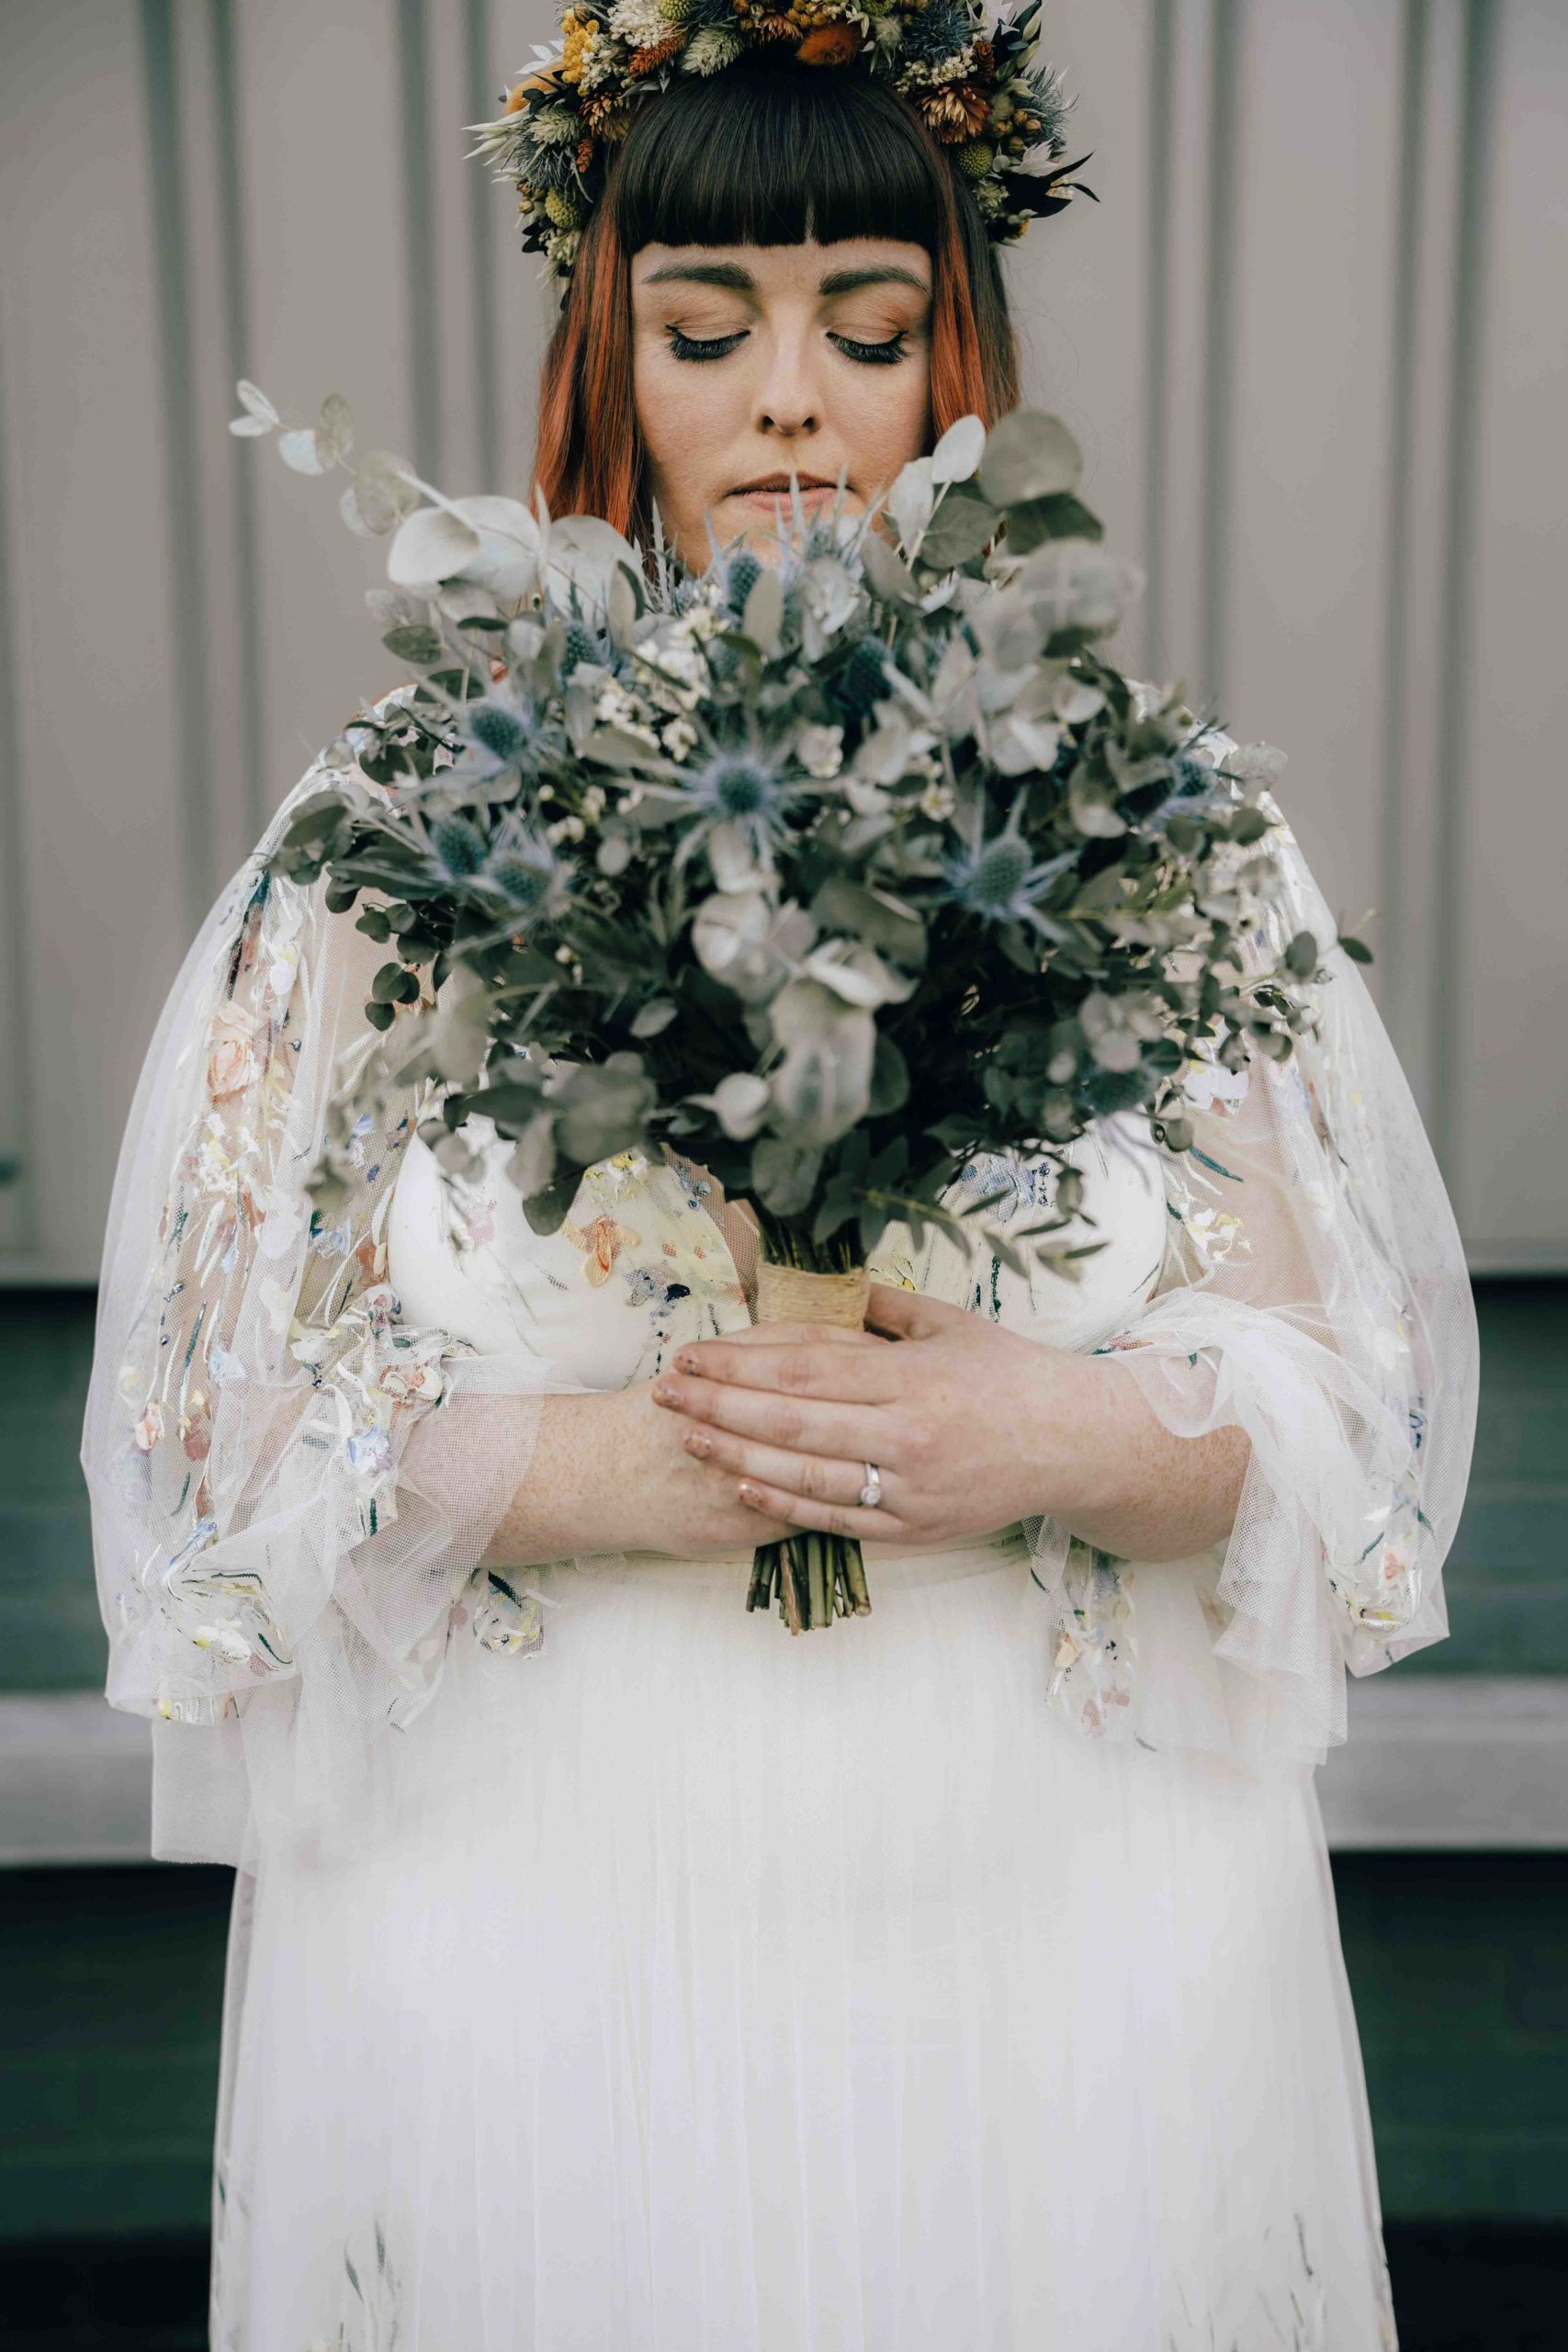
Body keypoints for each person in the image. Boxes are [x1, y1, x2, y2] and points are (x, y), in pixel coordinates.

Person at [81, 20, 1478, 2352]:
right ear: (608, 367)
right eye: (706, 331)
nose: (794, 405)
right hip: (539, 1944)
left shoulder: (1161, 829)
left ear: (963, 360)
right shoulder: (396, 844)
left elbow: (1353, 1415)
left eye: (867, 322)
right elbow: (207, 1427)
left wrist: (1063, 1434)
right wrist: (584, 1461)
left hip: (1063, 1939)